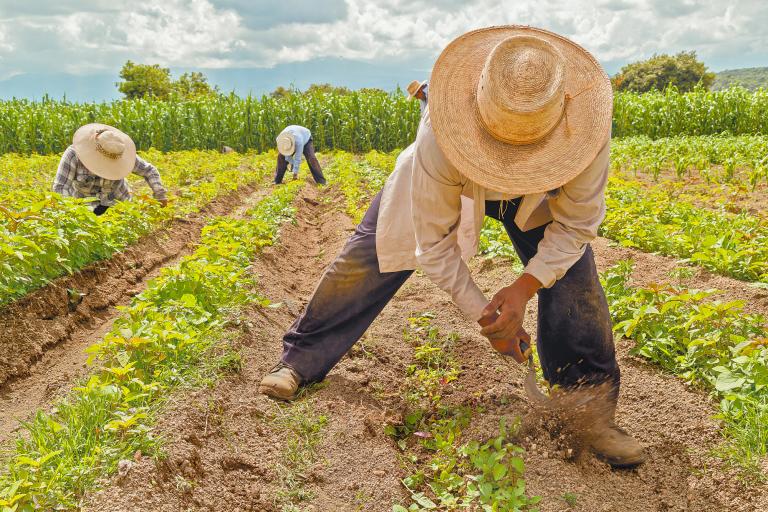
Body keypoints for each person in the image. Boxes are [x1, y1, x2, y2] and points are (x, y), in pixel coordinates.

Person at [259, 26, 645, 468]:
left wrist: (524, 287)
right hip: (455, 180)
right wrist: (487, 317)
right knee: (367, 259)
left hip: (541, 197)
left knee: (576, 286)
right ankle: (299, 360)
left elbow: (576, 226)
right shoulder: (440, 138)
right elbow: (433, 245)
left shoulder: (585, 133)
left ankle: (589, 414)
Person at [53, 124, 168, 215]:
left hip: (119, 205)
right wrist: (71, 212)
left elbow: (149, 171)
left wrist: (160, 195)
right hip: (86, 209)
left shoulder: (119, 152)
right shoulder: (74, 155)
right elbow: (61, 187)